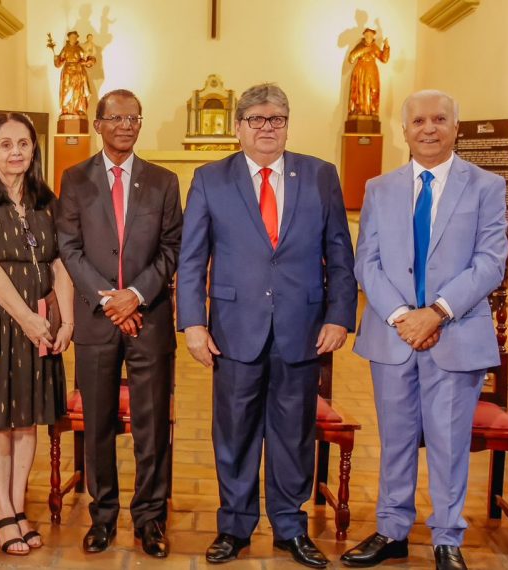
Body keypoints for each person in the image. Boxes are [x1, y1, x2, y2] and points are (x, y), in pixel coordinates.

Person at [177, 83, 357, 568]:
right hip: (234, 329)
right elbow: (192, 258)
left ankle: (289, 527)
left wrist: (340, 315)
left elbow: (340, 252)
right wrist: (193, 322)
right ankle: (234, 526)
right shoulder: (211, 178)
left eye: (275, 119)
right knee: (233, 432)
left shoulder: (319, 175)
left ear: (287, 124)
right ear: (238, 127)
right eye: (256, 119)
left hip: (303, 327)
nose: (266, 128)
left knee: (293, 432)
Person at [342, 90, 507, 570]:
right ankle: (392, 531)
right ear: (404, 129)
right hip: (392, 335)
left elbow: (490, 262)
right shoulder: (379, 187)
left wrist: (435, 312)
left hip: (454, 333)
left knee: (449, 441)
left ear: (457, 127)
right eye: (418, 120)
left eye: (439, 119)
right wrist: (401, 316)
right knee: (394, 439)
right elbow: (366, 261)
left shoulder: (486, 186)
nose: (428, 128)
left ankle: (447, 538)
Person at [56, 89, 183, 558]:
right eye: (117, 117)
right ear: (98, 123)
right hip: (96, 320)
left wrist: (136, 297)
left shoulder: (163, 181)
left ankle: (150, 518)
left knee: (152, 426)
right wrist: (110, 300)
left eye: (134, 117)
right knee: (99, 424)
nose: (126, 125)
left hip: (148, 320)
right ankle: (103, 516)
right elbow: (68, 246)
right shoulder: (74, 179)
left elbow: (173, 248)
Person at [0, 112, 74, 556]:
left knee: (27, 418)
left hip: (40, 320)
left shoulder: (45, 198)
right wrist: (25, 318)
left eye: (23, 143)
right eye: (6, 144)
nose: (16, 152)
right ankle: (2, 512)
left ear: (33, 150)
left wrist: (68, 321)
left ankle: (19, 506)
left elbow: (61, 261)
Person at [347, 28, 391, 119]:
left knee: (373, 91)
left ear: (373, 37)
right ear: (364, 36)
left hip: (372, 72)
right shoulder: (360, 46)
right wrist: (364, 50)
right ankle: (359, 111)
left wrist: (386, 47)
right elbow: (351, 58)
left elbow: (384, 59)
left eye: (371, 36)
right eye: (367, 35)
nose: (368, 37)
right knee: (360, 91)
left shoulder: (374, 47)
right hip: (361, 71)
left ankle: (371, 111)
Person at [50, 31, 95, 117]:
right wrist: (56, 59)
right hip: (67, 72)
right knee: (66, 90)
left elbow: (85, 59)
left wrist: (91, 60)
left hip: (77, 72)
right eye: (71, 37)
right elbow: (59, 63)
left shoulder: (79, 49)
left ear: (77, 38)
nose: (73, 39)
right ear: (69, 38)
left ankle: (76, 109)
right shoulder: (65, 49)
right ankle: (66, 109)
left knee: (77, 90)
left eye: (75, 37)